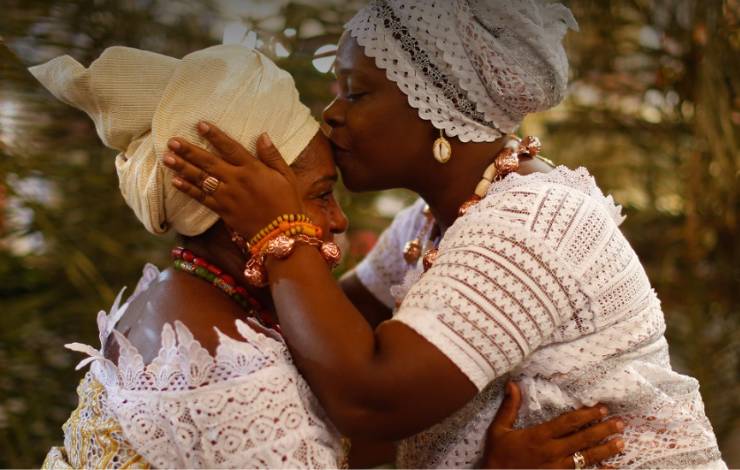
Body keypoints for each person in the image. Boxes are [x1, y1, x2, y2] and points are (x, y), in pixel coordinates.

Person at [164, 1, 726, 468]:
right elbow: (331, 331)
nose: (330, 116)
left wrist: (278, 231)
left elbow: (372, 401)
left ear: (436, 109)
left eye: (355, 93)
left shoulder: (530, 227)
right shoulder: (436, 217)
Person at [30, 44, 622, 469]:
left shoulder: (188, 300)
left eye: (356, 92)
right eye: (316, 196)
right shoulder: (218, 359)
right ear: (232, 210)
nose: (338, 219)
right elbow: (363, 401)